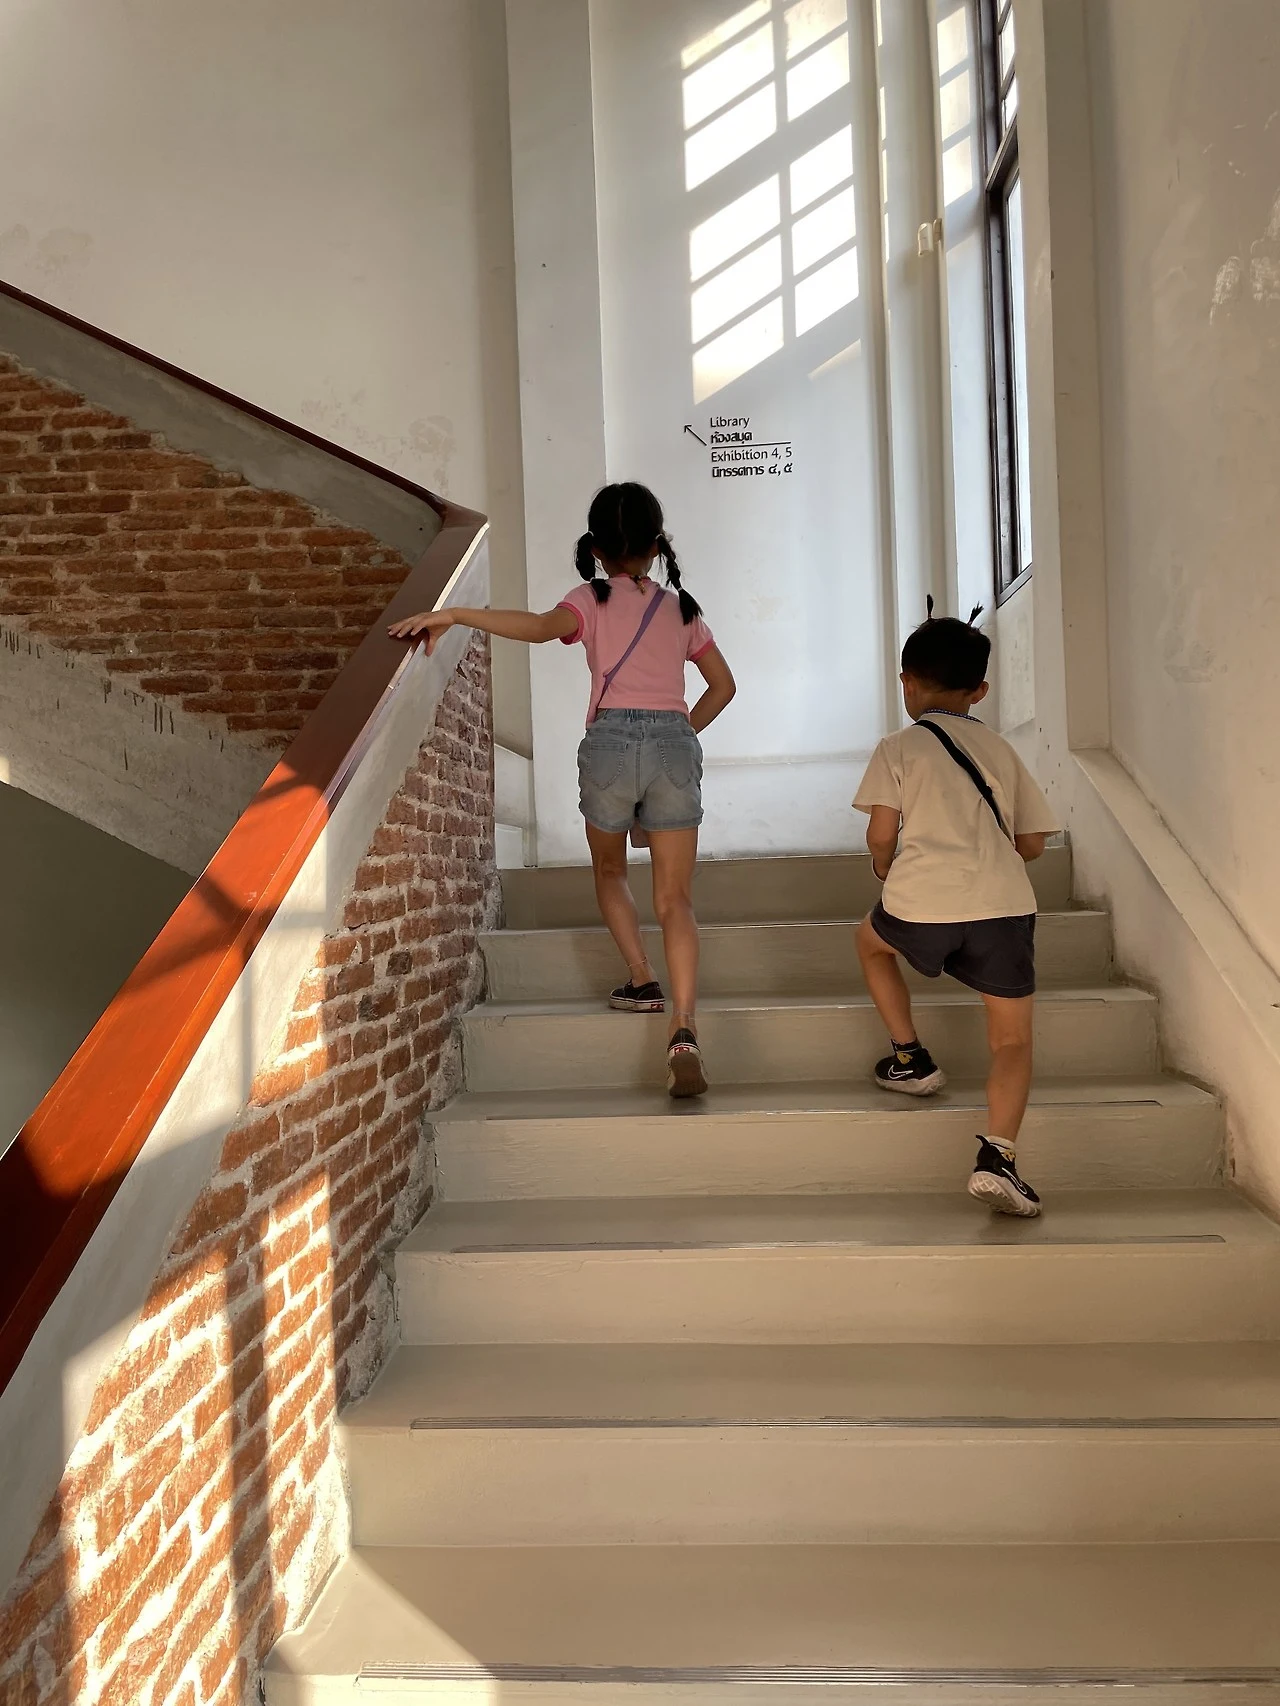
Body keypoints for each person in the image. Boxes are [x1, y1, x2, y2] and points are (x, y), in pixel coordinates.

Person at [388, 482, 736, 1099]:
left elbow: (537, 627)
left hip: (608, 746)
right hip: (673, 746)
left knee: (609, 870)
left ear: (597, 550)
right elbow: (723, 686)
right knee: (675, 898)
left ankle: (642, 980)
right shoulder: (683, 610)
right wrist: (680, 731)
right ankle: (683, 1029)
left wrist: (457, 613)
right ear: (657, 546)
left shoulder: (590, 599)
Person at [852, 602, 1058, 1215]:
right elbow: (1033, 844)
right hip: (1001, 905)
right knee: (1012, 1040)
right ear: (980, 690)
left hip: (921, 901)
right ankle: (999, 1156)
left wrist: (885, 867)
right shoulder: (1001, 750)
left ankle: (910, 1058)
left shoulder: (897, 747)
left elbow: (881, 834)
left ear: (907, 682)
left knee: (871, 944)